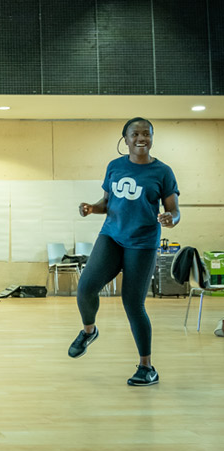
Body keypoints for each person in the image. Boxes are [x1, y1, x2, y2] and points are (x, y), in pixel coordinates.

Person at [68, 117, 180, 387]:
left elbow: (174, 210)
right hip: (112, 237)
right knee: (85, 288)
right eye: (135, 134)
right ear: (125, 139)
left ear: (152, 138)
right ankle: (89, 331)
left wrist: (170, 219)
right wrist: (92, 209)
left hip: (142, 242)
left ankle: (146, 367)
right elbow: (107, 202)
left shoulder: (163, 172)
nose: (141, 138)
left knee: (132, 304)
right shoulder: (115, 166)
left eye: (146, 134)